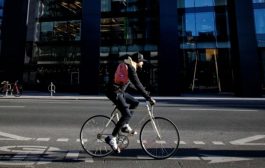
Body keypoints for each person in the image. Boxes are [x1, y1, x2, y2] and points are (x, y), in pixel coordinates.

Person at [105, 52, 156, 153]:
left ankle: (124, 125)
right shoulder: (131, 68)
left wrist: (145, 92)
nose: (142, 64)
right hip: (114, 92)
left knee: (135, 102)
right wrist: (148, 97)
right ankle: (112, 138)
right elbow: (137, 84)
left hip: (119, 91)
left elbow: (131, 84)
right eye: (142, 62)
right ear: (137, 61)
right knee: (126, 114)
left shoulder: (128, 66)